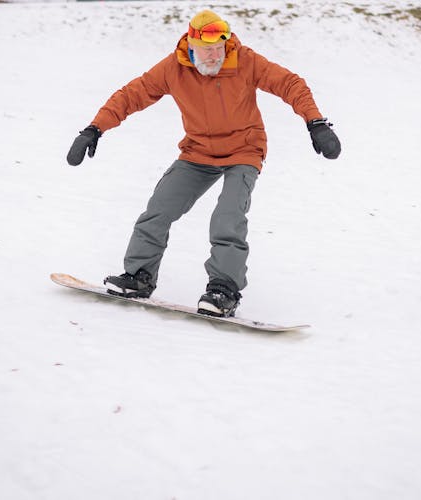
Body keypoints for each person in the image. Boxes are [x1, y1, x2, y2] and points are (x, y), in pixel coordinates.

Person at [66, 9, 340, 317]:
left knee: (227, 216)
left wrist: (315, 122)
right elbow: (131, 95)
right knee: (159, 209)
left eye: (218, 48)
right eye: (206, 50)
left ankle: (224, 289)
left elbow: (290, 83)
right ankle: (139, 276)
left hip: (244, 151)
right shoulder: (174, 68)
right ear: (191, 46)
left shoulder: (245, 61)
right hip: (198, 151)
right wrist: (94, 128)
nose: (213, 55)